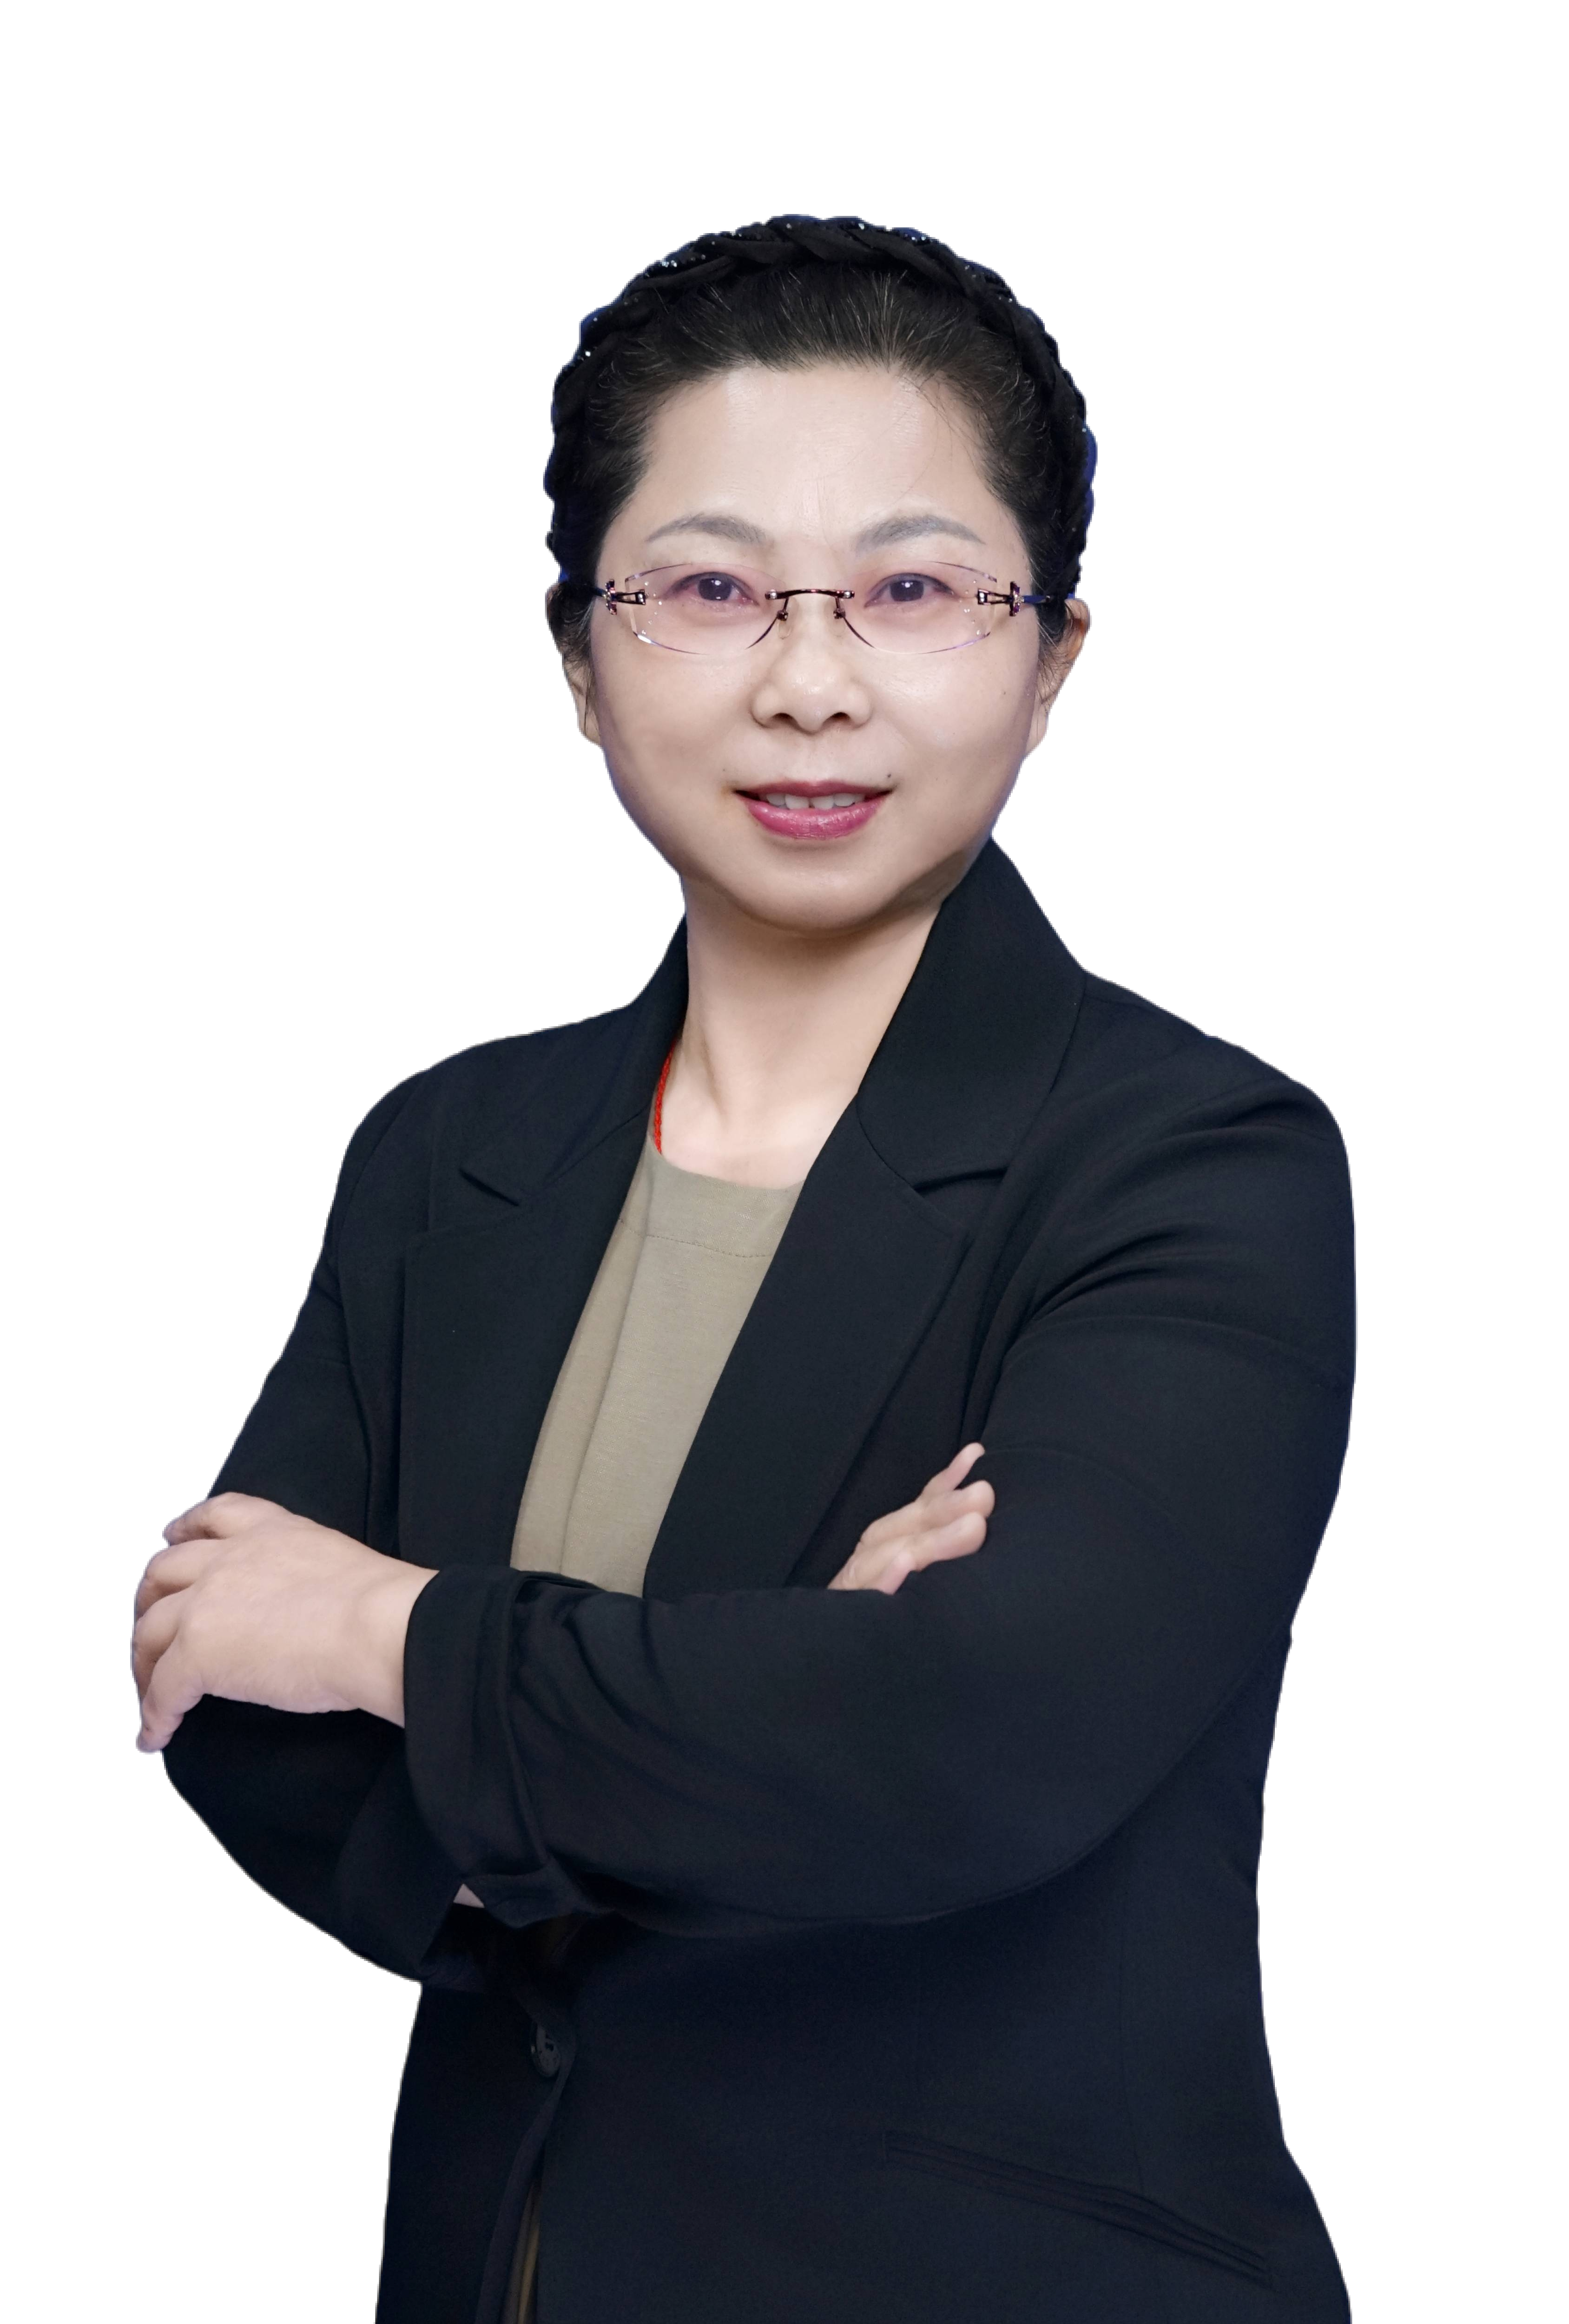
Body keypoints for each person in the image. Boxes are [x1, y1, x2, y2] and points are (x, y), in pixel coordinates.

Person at [131, 215, 1355, 2324]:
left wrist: (386, 1629)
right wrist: (773, 1695)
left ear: (1052, 665)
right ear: (579, 661)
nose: (808, 680)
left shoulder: (1194, 1162)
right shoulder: (448, 1150)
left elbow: (972, 1743)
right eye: (708, 590)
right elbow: (232, 1707)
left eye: (911, 589)